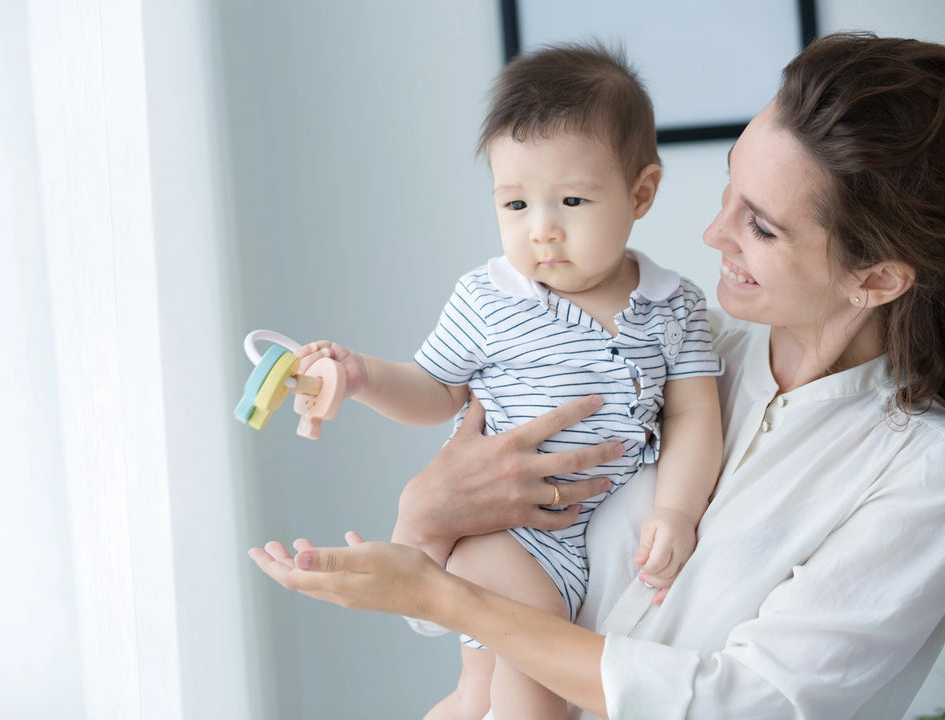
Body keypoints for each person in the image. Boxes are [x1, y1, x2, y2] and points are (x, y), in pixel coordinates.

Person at [250, 31, 945, 720]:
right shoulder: (682, 350)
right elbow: (454, 600)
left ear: (876, 279)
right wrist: (424, 518)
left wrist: (444, 597)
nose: (713, 233)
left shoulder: (920, 476)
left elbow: (744, 705)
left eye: (761, 227)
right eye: (729, 186)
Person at [293, 42, 723, 718]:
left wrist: (676, 512)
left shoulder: (676, 306)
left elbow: (696, 416)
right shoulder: (490, 299)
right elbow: (434, 390)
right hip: (501, 532)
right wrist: (364, 376)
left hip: (583, 541)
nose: (542, 231)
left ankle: (464, 702)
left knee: (486, 693)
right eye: (516, 204)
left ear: (641, 193)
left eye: (572, 200)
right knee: (533, 692)